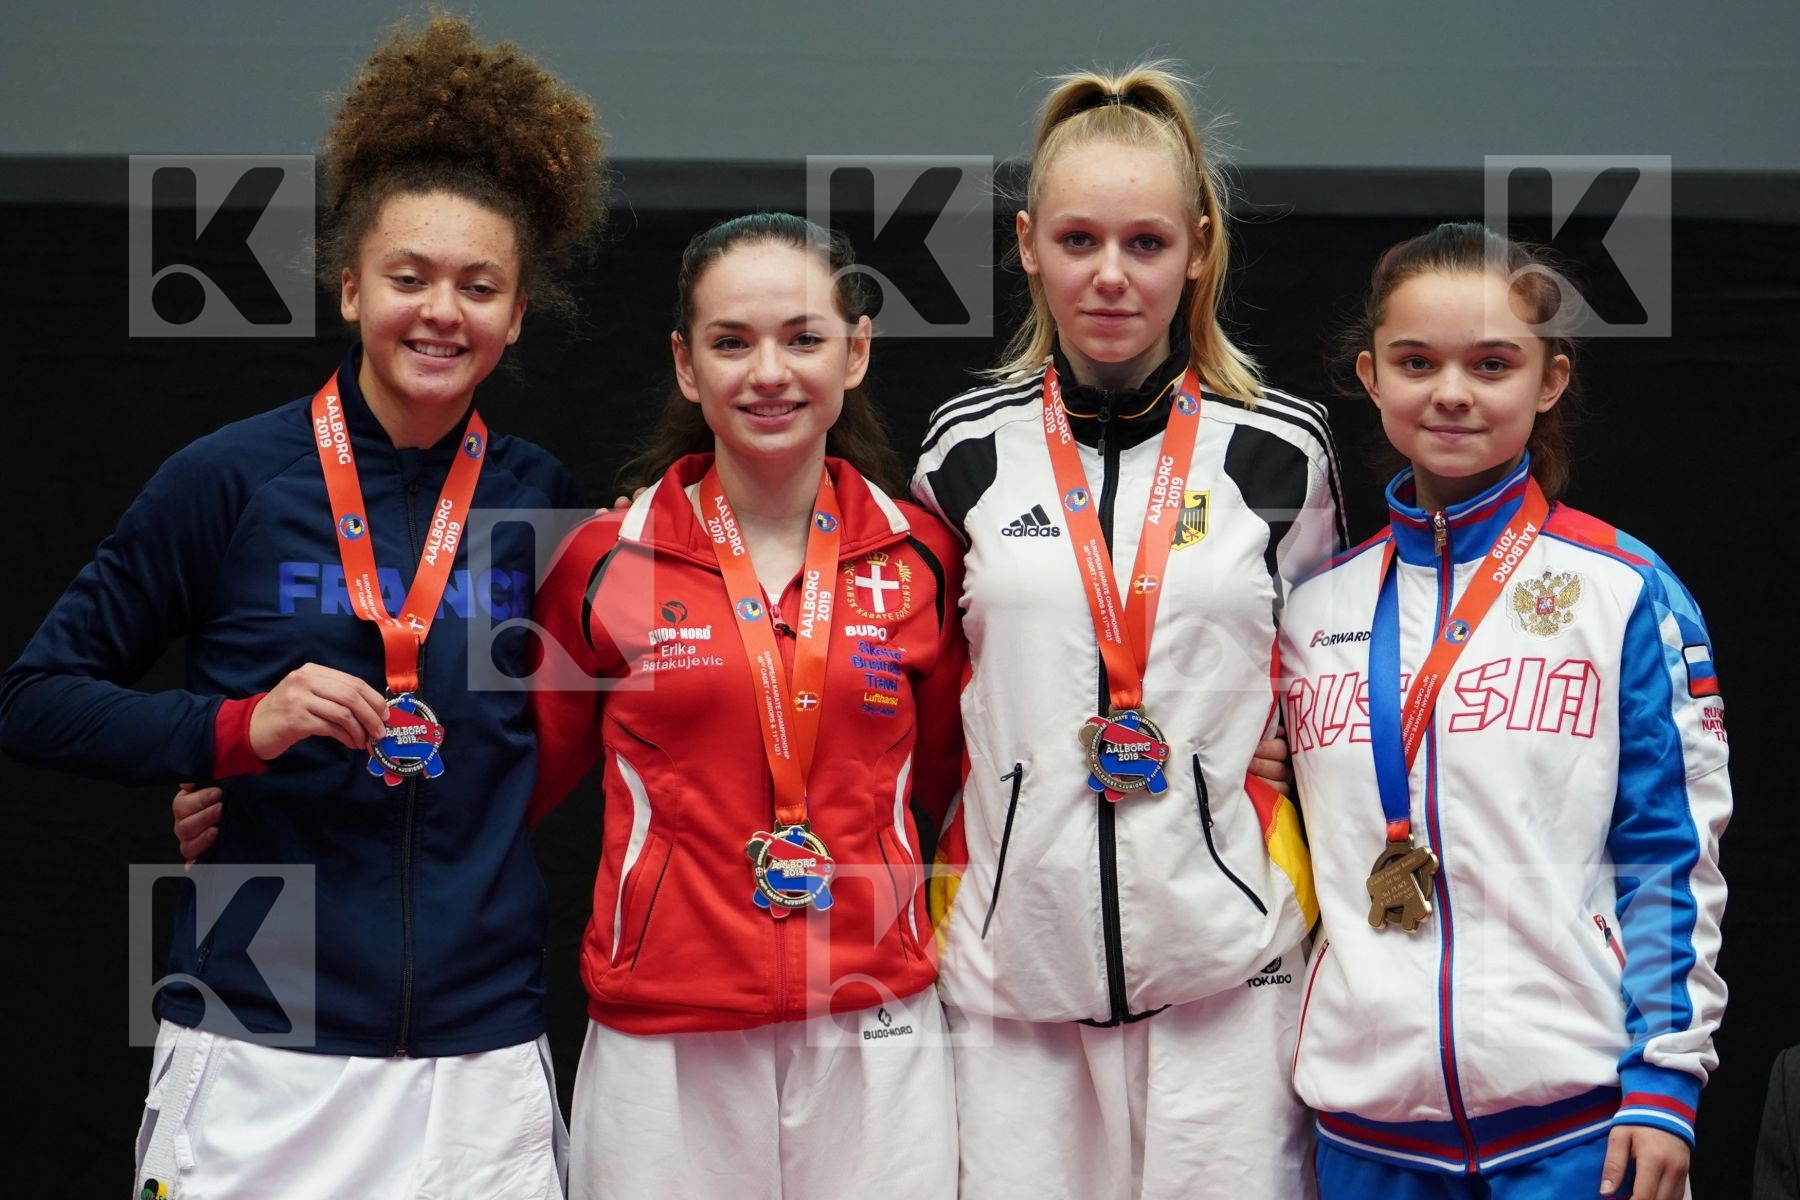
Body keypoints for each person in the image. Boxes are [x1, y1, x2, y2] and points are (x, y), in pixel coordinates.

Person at [0, 16, 605, 1197]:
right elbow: (33, 698)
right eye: (408, 277)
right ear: (348, 287)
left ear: (517, 313)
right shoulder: (229, 479)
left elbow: (563, 736)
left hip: (478, 1060)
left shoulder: (541, 501)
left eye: (479, 286)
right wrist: (230, 734)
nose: (442, 311)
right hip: (256, 1036)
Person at [910, 64, 1346, 1199]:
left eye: (1146, 244)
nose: (1110, 275)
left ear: (1199, 249)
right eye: (1079, 240)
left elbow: (1336, 669)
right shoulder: (959, 453)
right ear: (1025, 245)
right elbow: (915, 691)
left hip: (1227, 970)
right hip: (1014, 974)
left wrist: (1287, 755)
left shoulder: (1282, 452)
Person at [1278, 222, 1729, 1200]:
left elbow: (1670, 852)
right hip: (1367, 1139)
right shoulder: (1312, 612)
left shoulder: (1623, 591)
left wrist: (1665, 1082)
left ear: (1550, 379)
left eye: (1491, 363)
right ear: (1369, 374)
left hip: (1581, 1129)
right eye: (1415, 361)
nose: (1451, 391)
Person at [523, 212, 965, 1200]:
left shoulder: (923, 557)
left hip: (873, 1016)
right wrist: (277, 801)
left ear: (855, 353)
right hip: (666, 1027)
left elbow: (964, 782)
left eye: (802, 338)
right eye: (732, 343)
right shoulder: (603, 560)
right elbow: (512, 784)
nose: (768, 371)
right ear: (686, 366)